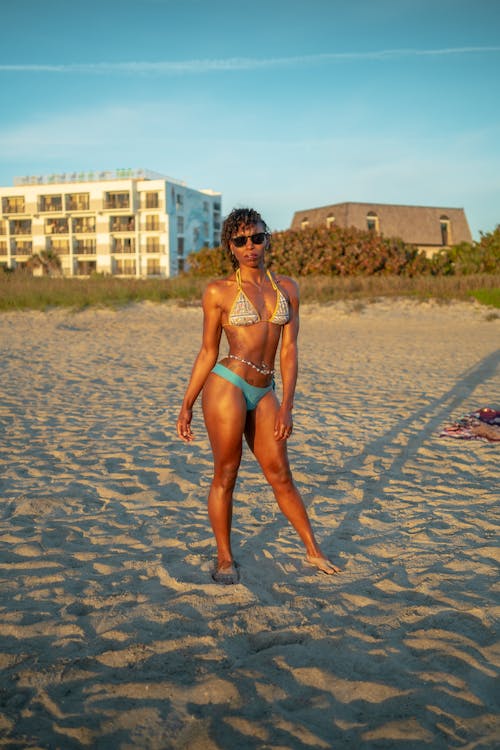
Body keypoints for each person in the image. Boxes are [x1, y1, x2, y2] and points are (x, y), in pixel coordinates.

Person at [177, 207, 340, 584]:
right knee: (227, 473)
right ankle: (224, 558)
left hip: (265, 389)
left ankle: (314, 552)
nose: (250, 246)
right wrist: (186, 404)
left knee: (280, 473)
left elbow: (289, 350)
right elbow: (207, 351)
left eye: (257, 237)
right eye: (240, 241)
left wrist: (287, 405)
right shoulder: (218, 291)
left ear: (268, 238)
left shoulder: (288, 288)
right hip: (226, 384)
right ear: (230, 247)